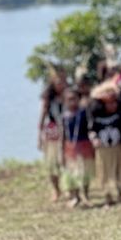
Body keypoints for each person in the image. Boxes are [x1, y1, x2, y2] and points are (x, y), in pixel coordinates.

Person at [89, 79, 121, 205]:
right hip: (103, 150)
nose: (113, 106)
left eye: (114, 102)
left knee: (119, 171)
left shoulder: (120, 115)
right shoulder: (95, 117)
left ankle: (120, 193)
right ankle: (107, 196)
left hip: (117, 148)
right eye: (109, 103)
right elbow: (91, 131)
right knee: (105, 173)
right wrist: (94, 139)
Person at [61, 88, 95, 208]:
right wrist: (62, 152)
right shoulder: (65, 116)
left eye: (74, 99)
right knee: (71, 174)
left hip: (84, 145)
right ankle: (75, 197)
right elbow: (63, 135)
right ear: (65, 101)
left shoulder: (83, 113)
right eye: (69, 100)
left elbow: (90, 127)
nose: (72, 102)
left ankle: (86, 195)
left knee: (85, 172)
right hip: (70, 147)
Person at [38, 67, 67, 202]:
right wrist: (40, 136)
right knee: (52, 163)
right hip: (53, 131)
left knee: (66, 162)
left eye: (63, 81)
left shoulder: (69, 95)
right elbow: (42, 117)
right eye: (58, 82)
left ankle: (68, 188)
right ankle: (56, 189)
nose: (61, 84)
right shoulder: (48, 99)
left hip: (68, 131)